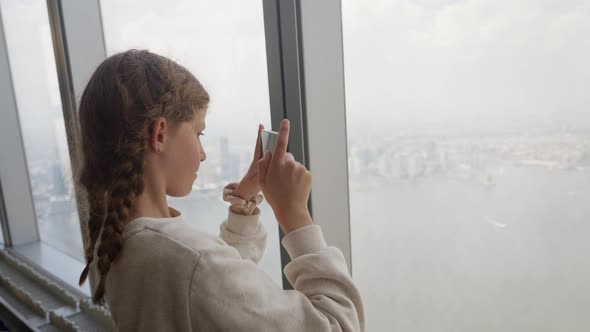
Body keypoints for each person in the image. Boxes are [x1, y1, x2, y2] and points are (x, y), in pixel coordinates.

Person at [76, 49, 365, 331]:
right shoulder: (191, 261)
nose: (202, 154)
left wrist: (244, 200)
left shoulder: (115, 240)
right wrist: (295, 214)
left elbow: (207, 293)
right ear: (160, 134)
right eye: (198, 133)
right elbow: (339, 325)